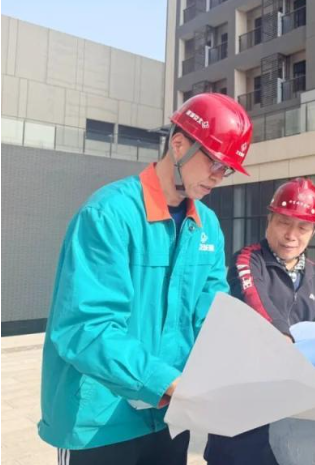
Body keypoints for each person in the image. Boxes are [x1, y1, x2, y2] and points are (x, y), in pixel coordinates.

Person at [39, 93, 253, 465]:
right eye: (214, 161)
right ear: (179, 144)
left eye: (227, 168)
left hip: (169, 415)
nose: (219, 176)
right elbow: (86, 328)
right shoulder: (109, 215)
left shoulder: (207, 226)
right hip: (101, 419)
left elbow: (212, 316)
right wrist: (163, 380)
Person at [205, 177, 315, 465]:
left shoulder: (312, 272)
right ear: (269, 220)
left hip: (288, 408)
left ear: (313, 231)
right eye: (284, 222)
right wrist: (286, 341)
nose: (291, 235)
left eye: (303, 227)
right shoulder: (248, 259)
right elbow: (257, 305)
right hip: (243, 409)